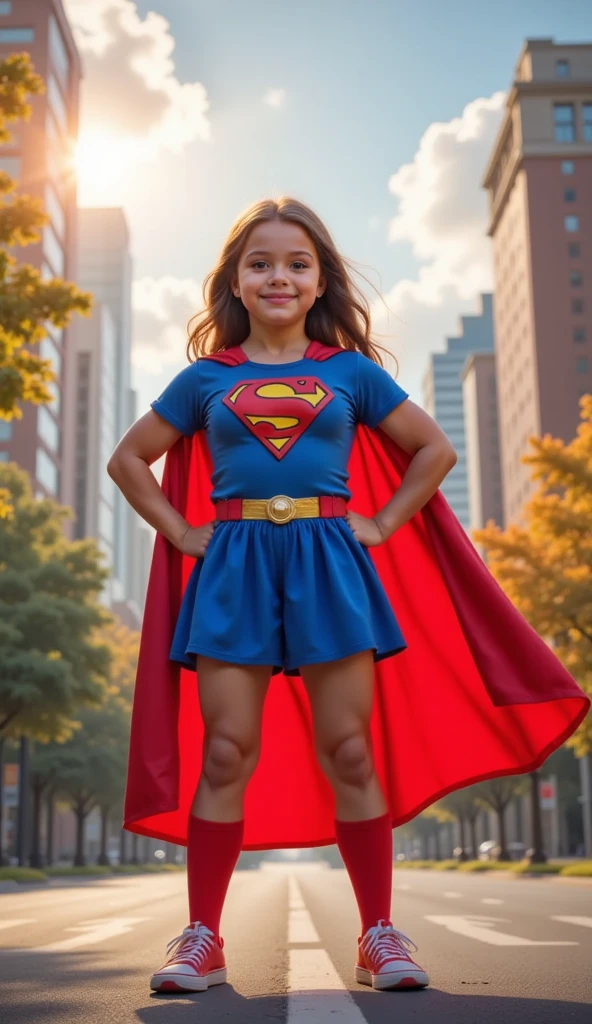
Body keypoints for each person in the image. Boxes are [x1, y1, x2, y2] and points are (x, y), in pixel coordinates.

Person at [108, 197, 589, 996]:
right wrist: (182, 532)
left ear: (319, 277)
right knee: (225, 751)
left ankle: (376, 934)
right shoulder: (204, 379)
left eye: (297, 262)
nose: (278, 276)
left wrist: (383, 523)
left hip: (331, 562)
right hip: (233, 564)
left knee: (351, 750)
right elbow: (131, 461)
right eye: (259, 262)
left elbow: (432, 451)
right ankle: (203, 937)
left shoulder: (348, 371)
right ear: (234, 279)